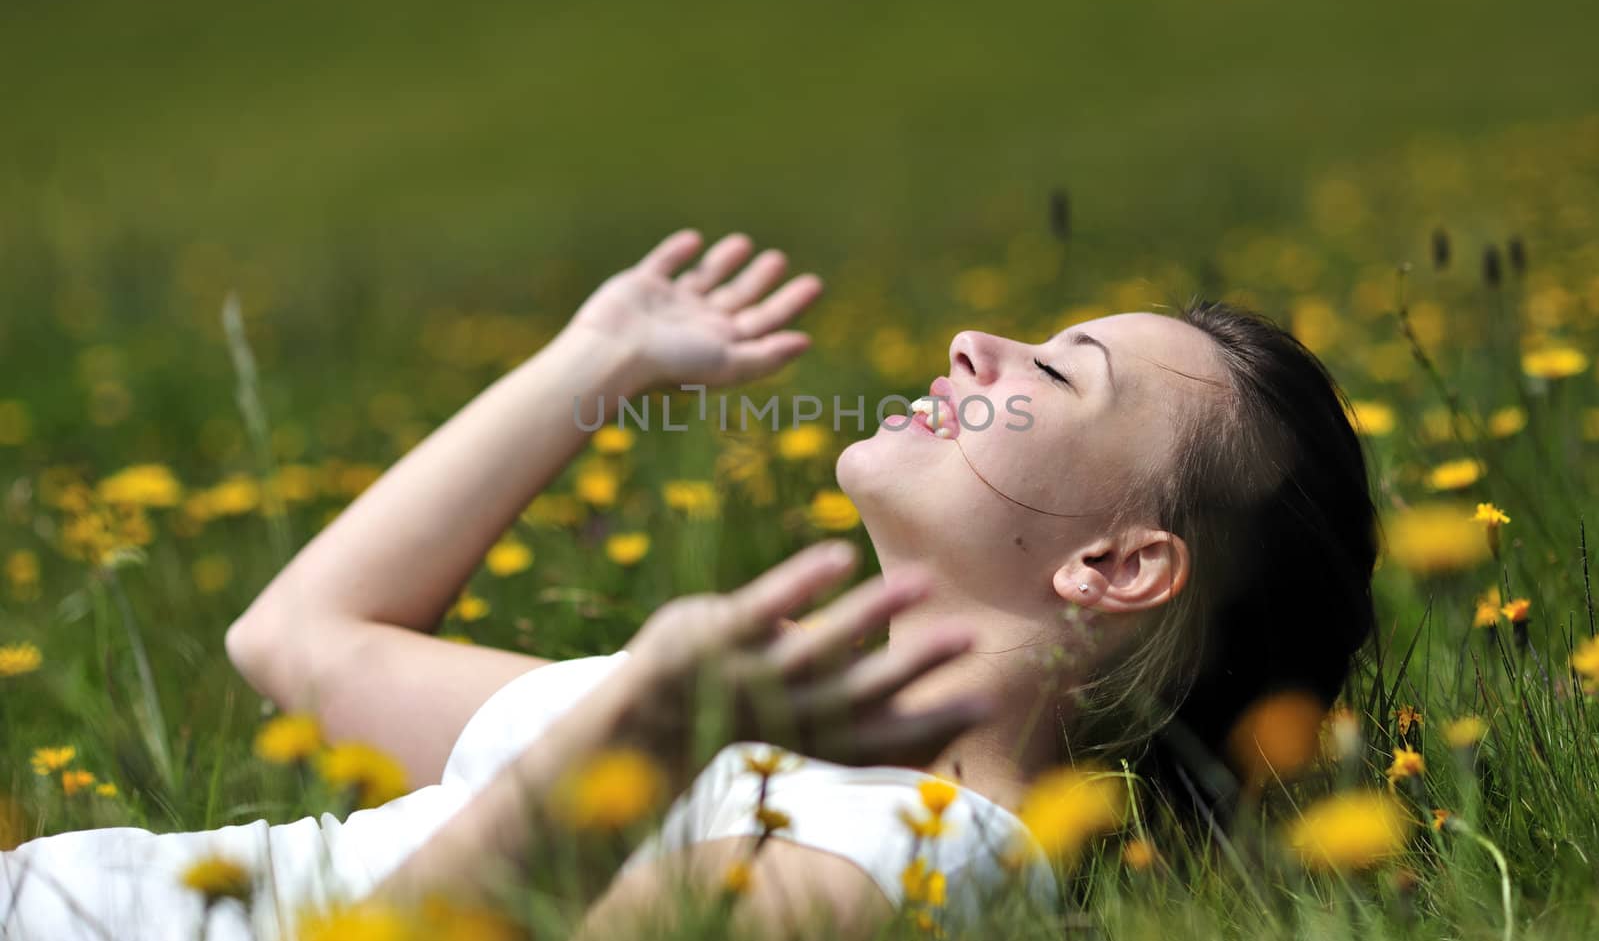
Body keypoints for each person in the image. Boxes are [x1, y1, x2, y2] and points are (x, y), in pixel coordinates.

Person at [1, 229, 1378, 939]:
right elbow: (300, 639)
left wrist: (651, 727)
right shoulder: (756, 715)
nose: (975, 342)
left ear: (1119, 565)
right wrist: (591, 365)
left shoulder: (934, 856)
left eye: (1062, 371)